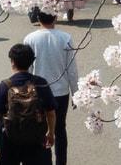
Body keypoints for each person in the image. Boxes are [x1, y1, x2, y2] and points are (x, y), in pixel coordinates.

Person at [23, 13, 78, 165]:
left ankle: (43, 160)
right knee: (60, 129)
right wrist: (76, 93)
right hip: (60, 91)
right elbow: (71, 69)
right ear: (55, 18)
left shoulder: (30, 39)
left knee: (40, 128)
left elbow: (27, 67)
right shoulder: (65, 37)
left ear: (38, 19)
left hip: (38, 91)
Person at [0, 43, 57, 165]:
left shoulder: (5, 85)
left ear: (12, 62)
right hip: (36, 139)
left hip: (10, 141)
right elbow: (50, 113)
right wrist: (50, 133)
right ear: (31, 62)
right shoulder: (40, 83)